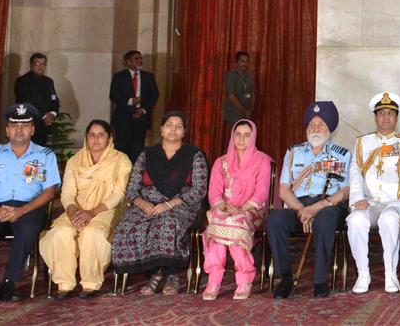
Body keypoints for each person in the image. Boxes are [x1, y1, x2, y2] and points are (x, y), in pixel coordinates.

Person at [0, 103, 61, 302]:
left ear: (33, 129)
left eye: (25, 125)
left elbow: (50, 191)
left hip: (29, 207)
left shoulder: (45, 156)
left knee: (27, 231)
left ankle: (10, 282)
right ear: (7, 130)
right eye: (14, 125)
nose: (19, 130)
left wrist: (22, 210)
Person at [111, 111, 209, 295]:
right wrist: (142, 204)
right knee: (126, 227)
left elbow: (199, 189)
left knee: (165, 224)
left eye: (178, 126)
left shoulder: (194, 155)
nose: (174, 129)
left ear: (184, 132)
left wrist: (168, 204)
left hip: (182, 204)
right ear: (162, 130)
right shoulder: (147, 154)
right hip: (147, 202)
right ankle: (156, 271)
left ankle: (166, 275)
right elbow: (132, 188)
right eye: (169, 125)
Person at [40, 119, 132, 299]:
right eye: (92, 135)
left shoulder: (121, 160)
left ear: (109, 138)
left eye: (101, 135)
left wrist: (92, 213)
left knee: (92, 233)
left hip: (106, 209)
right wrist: (73, 211)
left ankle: (90, 283)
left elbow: (119, 194)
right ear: (86, 138)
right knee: (61, 232)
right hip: (77, 209)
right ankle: (64, 283)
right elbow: (66, 193)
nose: (96, 139)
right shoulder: (75, 161)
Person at [268, 101, 351, 299]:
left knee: (325, 219)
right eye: (311, 125)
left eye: (320, 125)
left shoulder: (343, 155)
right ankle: (285, 278)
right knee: (275, 220)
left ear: (329, 129)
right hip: (299, 205)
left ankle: (320, 280)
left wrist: (315, 209)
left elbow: (346, 191)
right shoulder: (293, 152)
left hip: (328, 205)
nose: (315, 129)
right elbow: (284, 190)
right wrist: (302, 211)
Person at [348, 91, 400, 294]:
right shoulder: (363, 142)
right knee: (355, 221)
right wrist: (357, 198)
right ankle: (363, 274)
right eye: (381, 113)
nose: (386, 117)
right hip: (369, 201)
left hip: (395, 201)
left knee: (389, 220)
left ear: (397, 117)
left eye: (390, 113)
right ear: (375, 117)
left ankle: (391, 274)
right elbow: (354, 171)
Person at [202, 118, 271, 301]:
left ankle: (244, 278)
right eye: (238, 135)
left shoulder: (262, 160)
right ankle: (214, 279)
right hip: (224, 208)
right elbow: (214, 190)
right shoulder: (221, 162)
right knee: (216, 222)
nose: (241, 139)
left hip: (251, 210)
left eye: (246, 135)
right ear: (232, 137)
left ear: (253, 137)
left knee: (236, 222)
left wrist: (242, 208)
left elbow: (262, 191)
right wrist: (223, 206)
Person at [109, 51, 159, 162]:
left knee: (138, 150)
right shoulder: (119, 76)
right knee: (121, 149)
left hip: (141, 119)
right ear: (128, 61)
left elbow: (154, 95)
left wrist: (144, 110)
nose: (140, 61)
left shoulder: (148, 77)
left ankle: (136, 174)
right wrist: (131, 101)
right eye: (136, 59)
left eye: (140, 58)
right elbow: (113, 95)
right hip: (123, 120)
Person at [13, 53, 60, 147]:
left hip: (44, 126)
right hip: (28, 125)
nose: (40, 67)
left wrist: (52, 113)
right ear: (31, 65)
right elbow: (26, 102)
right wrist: (44, 116)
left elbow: (54, 100)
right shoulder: (23, 81)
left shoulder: (48, 81)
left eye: (43, 64)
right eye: (37, 63)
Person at [222, 51, 255, 132]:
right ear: (236, 62)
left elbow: (252, 93)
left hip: (247, 113)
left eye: (246, 61)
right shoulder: (231, 75)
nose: (245, 64)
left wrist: (251, 109)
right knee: (236, 138)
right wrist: (245, 110)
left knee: (246, 137)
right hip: (235, 113)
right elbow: (231, 96)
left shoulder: (249, 75)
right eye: (242, 61)